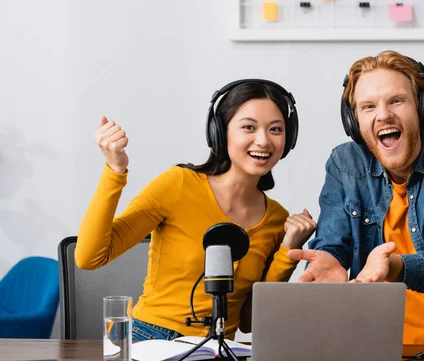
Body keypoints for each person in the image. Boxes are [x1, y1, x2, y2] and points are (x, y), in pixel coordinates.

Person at [288, 50, 424, 345]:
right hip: (370, 348)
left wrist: (396, 268)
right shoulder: (345, 164)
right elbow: (333, 246)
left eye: (396, 100)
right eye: (368, 106)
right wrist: (327, 260)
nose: (383, 115)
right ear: (354, 122)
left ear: (422, 107)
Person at [75, 79, 317, 341]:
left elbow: (248, 322)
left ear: (288, 139)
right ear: (219, 132)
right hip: (148, 339)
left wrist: (287, 252)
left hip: (217, 352)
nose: (263, 140)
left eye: (276, 129)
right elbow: (89, 258)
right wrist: (115, 170)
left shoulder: (277, 219)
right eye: (248, 127)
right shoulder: (179, 184)